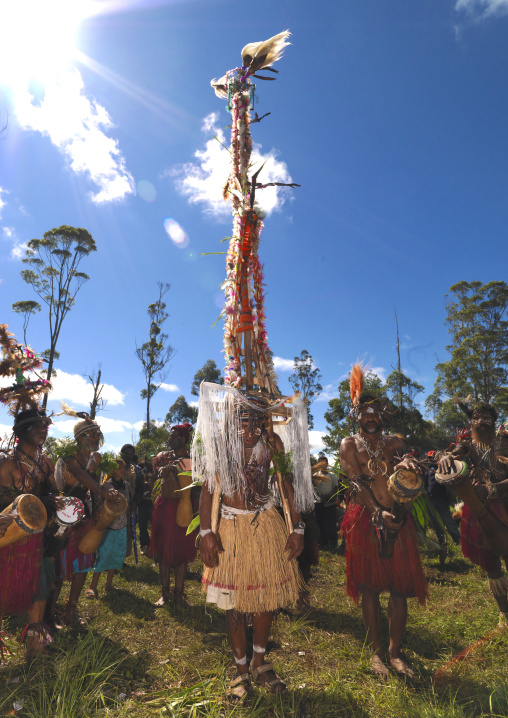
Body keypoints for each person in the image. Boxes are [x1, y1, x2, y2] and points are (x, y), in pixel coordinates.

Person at [195, 387, 314, 702]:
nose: (249, 431)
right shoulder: (221, 446)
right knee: (232, 601)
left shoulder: (273, 444)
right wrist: (206, 531)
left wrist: (297, 527)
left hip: (266, 526)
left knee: (266, 598)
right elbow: (207, 491)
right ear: (233, 422)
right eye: (243, 422)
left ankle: (260, 662)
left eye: (255, 423)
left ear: (265, 423)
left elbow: (286, 487)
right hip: (231, 530)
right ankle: (240, 669)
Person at [340, 364, 428, 679]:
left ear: (383, 415)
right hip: (365, 519)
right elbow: (355, 482)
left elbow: (409, 461)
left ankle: (394, 651)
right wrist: (377, 513)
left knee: (400, 589)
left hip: (398, 520)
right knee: (369, 589)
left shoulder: (393, 443)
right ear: (356, 415)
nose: (370, 416)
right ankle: (376, 652)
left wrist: (409, 461)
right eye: (364, 411)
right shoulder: (349, 445)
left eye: (376, 411)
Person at [437, 401, 508, 622]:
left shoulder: (505, 442)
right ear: (471, 422)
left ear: (494, 422)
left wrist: (494, 488)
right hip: (477, 507)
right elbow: (456, 454)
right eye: (476, 419)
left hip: (505, 504)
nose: (481, 423)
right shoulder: (467, 444)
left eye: (486, 419)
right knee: (491, 563)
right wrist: (446, 457)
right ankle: (504, 613)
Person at [0, 408, 61, 656]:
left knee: (40, 589)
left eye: (45, 426)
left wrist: (61, 503)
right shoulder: (7, 463)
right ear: (22, 431)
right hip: (9, 536)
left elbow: (56, 494)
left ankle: (35, 646)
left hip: (37, 537)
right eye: (37, 426)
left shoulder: (46, 463)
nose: (42, 431)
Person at [50, 409, 118, 626]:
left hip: (84, 515)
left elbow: (98, 483)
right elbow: (81, 476)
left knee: (82, 561)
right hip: (63, 513)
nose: (97, 438)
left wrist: (104, 494)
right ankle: (49, 611)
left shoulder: (96, 458)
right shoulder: (69, 456)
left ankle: (71, 607)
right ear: (79, 437)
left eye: (99, 434)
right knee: (59, 564)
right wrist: (101, 489)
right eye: (93, 434)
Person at [150, 424, 197, 605]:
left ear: (183, 439)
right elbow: (154, 481)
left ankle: (179, 594)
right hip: (164, 507)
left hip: (183, 507)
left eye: (173, 436)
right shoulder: (163, 458)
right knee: (162, 551)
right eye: (169, 437)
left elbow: (194, 483)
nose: (169, 439)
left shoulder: (191, 459)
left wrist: (175, 471)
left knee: (181, 552)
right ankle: (165, 594)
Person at [86, 458, 130, 598]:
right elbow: (99, 504)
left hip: (121, 524)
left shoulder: (126, 485)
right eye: (118, 467)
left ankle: (109, 584)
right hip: (108, 526)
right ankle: (93, 586)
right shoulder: (106, 486)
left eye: (123, 467)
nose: (122, 470)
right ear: (112, 469)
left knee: (116, 555)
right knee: (103, 555)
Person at [312, 455, 339, 550]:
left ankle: (333, 543)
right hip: (319, 502)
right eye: (322, 462)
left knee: (331, 523)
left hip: (330, 503)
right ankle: (322, 543)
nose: (324, 464)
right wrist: (320, 496)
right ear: (318, 464)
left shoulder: (332, 475)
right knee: (320, 523)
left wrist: (329, 496)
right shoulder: (315, 475)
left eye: (325, 462)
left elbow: (335, 487)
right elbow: (314, 488)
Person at [138, 454, 155, 554]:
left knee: (154, 525)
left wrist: (149, 486)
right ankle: (145, 545)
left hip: (154, 502)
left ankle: (154, 546)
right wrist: (147, 486)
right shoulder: (141, 470)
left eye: (152, 459)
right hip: (142, 501)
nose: (150, 461)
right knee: (142, 525)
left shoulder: (158, 470)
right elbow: (139, 485)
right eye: (148, 459)